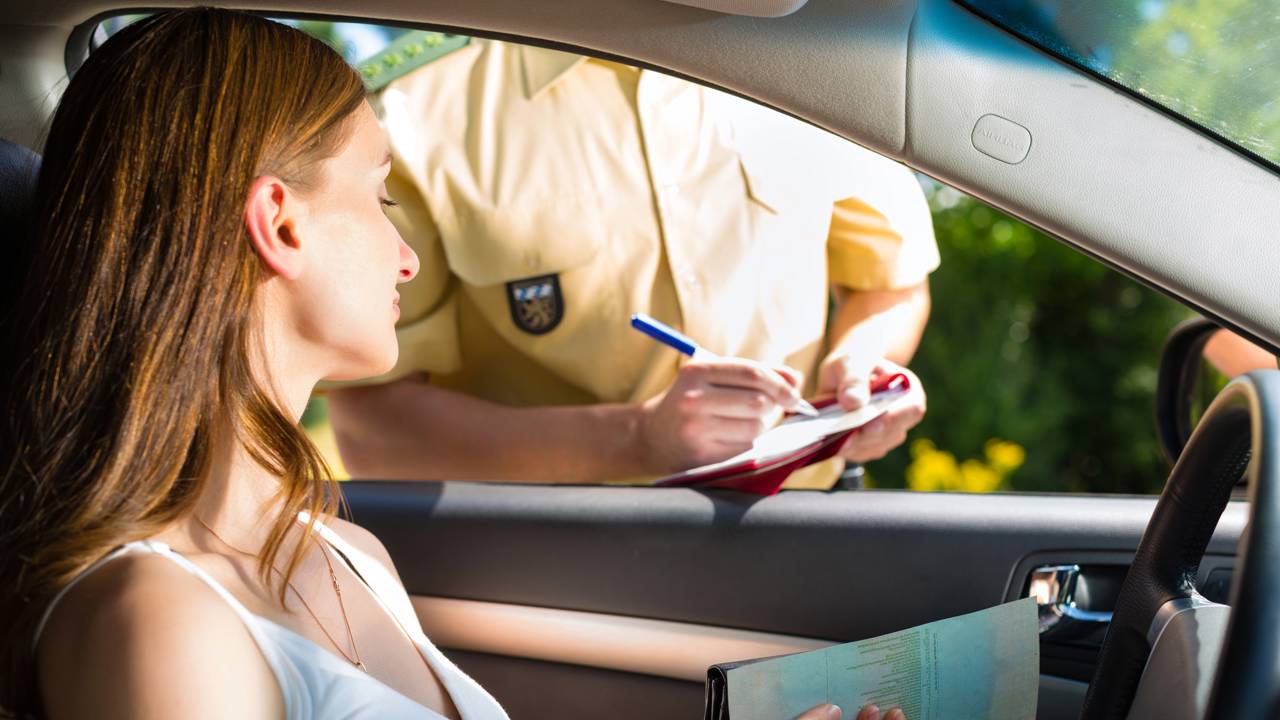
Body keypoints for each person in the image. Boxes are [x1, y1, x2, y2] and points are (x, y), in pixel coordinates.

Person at [0, 10, 903, 720]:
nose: (409, 257)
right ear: (280, 224)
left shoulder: (347, 555)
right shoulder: (160, 629)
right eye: (380, 196)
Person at [327, 38, 939, 489]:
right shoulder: (415, 113)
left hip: (810, 530)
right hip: (561, 577)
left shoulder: (818, 70)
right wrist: (636, 440)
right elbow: (374, 430)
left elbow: (892, 285)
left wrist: (859, 369)